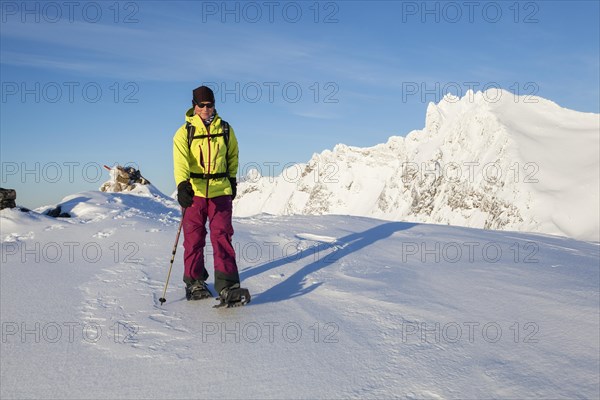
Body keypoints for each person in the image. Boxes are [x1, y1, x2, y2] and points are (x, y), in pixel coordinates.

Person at [173, 85, 250, 307]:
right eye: (202, 105)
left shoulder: (225, 129)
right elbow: (180, 162)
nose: (206, 109)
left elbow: (233, 154)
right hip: (195, 192)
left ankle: (228, 285)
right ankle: (194, 282)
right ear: (194, 106)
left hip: (220, 191)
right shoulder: (184, 132)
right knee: (194, 239)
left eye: (210, 104)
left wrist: (232, 179)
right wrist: (182, 185)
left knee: (222, 237)